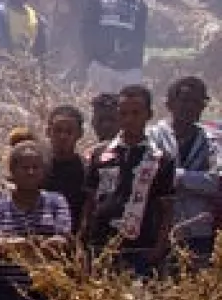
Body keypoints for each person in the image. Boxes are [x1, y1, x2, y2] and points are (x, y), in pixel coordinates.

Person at [80, 85, 176, 276]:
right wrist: (82, 241)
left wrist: (159, 248)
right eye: (123, 113)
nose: (129, 119)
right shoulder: (100, 154)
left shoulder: (160, 158)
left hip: (141, 248)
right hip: (101, 245)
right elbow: (90, 202)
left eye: (136, 113)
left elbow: (166, 209)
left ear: (148, 114)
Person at [0, 141, 71, 300]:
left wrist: (14, 246)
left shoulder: (56, 202)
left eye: (36, 167)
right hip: (7, 290)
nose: (30, 172)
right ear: (13, 171)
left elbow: (62, 242)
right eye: (25, 168)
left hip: (48, 289)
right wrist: (35, 243)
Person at [146, 76, 219, 264]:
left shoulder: (212, 140)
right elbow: (150, 176)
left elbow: (217, 181)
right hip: (157, 228)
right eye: (185, 100)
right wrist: (197, 180)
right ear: (170, 103)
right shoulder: (152, 136)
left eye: (197, 101)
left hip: (199, 230)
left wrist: (175, 176)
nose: (190, 106)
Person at [81, 0, 150, 93]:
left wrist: (136, 65)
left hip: (128, 69)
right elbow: (86, 29)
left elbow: (140, 36)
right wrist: (91, 59)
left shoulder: (140, 3)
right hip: (101, 65)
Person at [41, 106, 87, 221]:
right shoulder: (36, 167)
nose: (63, 136)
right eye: (58, 130)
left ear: (80, 134)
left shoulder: (86, 170)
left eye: (69, 131)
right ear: (48, 131)